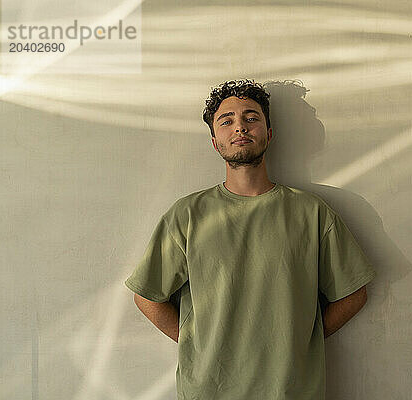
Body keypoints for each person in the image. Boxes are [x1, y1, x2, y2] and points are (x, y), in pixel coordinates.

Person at [124, 79, 376, 400]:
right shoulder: (187, 215)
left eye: (251, 117)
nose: (240, 127)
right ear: (215, 142)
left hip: (291, 390)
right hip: (209, 392)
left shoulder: (311, 212)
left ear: (268, 133)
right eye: (227, 121)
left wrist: (302, 341)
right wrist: (196, 344)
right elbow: (147, 296)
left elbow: (353, 294)